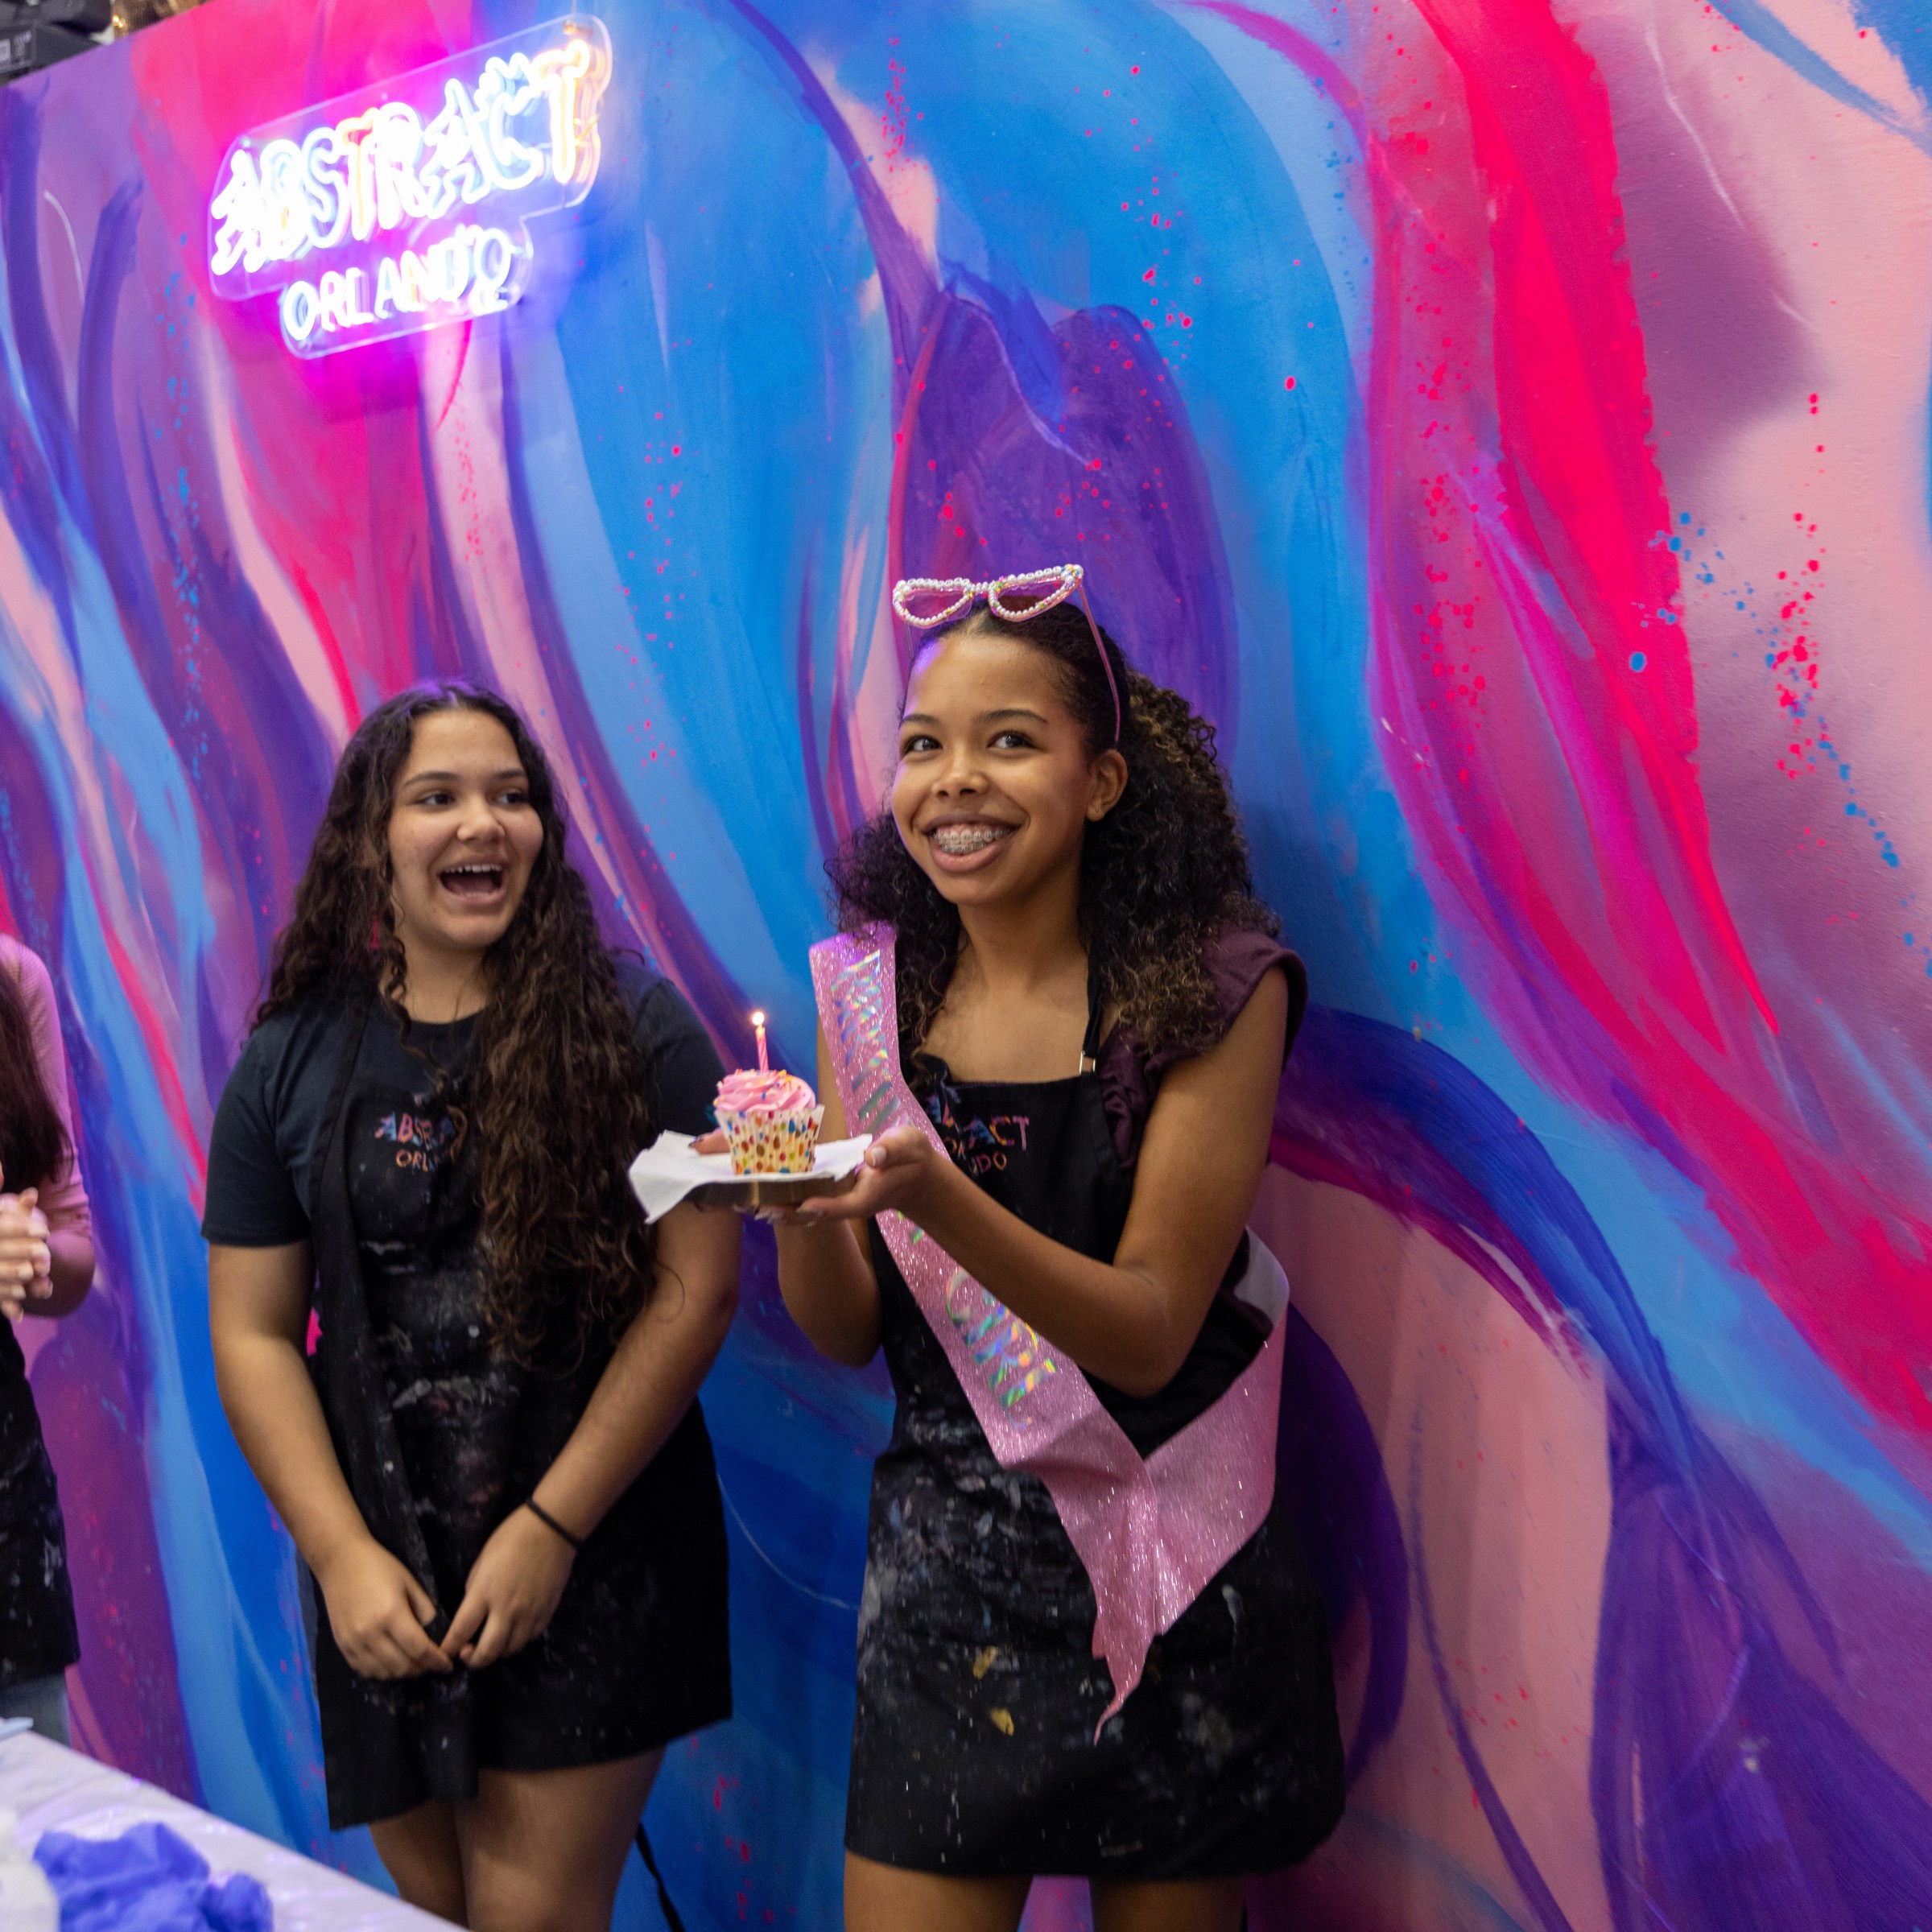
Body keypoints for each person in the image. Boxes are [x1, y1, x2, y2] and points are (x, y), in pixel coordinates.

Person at [769, 567, 1344, 1931]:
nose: (955, 781)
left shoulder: (1215, 992)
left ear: (1102, 781)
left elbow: (1149, 1329)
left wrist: (937, 1197)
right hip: (947, 1589)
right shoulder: (866, 994)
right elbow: (847, 1332)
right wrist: (794, 1203)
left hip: (1172, 1562)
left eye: (1010, 740)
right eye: (924, 744)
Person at [204, 682, 737, 1932]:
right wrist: (342, 1556)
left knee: (528, 1914)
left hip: (595, 1547)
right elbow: (252, 1331)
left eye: (511, 796)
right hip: (381, 1558)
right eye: (436, 797)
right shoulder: (288, 1060)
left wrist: (551, 1526)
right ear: (371, 839)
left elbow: (699, 1290)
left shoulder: (641, 1031)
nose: (481, 823)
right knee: (437, 1910)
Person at [0, 932, 97, 1746]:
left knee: (32, 1811)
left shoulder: (13, 977)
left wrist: (27, 1247)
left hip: (7, 1507)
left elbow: (74, 1252)